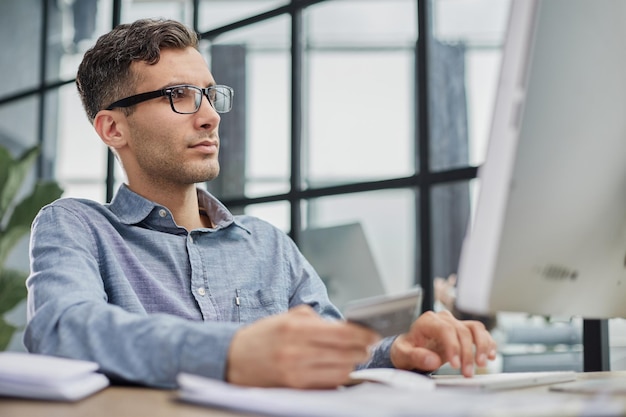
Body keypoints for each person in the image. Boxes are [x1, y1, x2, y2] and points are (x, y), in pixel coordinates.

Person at [24, 18, 496, 389]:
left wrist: (397, 350)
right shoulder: (76, 226)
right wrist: (232, 352)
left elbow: (331, 346)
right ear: (113, 129)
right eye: (178, 96)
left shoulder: (266, 242)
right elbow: (63, 329)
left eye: (209, 95)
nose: (209, 117)